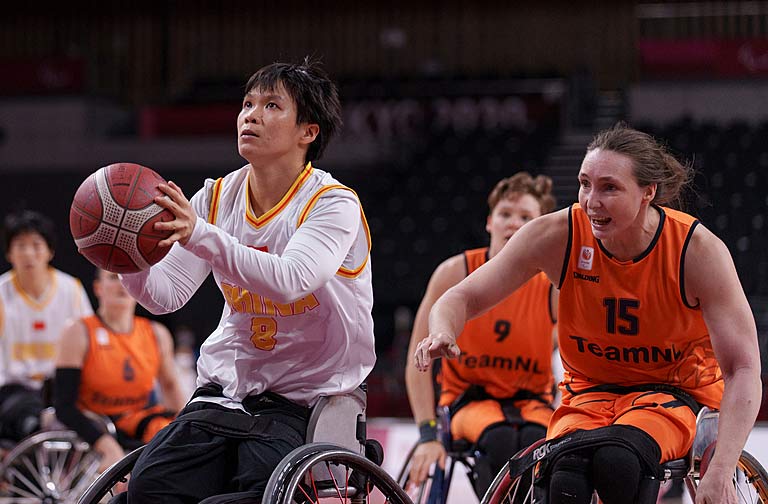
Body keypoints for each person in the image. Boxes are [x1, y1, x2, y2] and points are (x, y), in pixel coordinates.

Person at [415, 123, 761, 504]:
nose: (591, 201)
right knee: (565, 474)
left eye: (609, 187)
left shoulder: (696, 251)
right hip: (588, 396)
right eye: (584, 184)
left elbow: (743, 369)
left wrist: (723, 467)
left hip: (673, 396)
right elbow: (461, 297)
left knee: (619, 461)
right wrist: (443, 330)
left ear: (648, 192)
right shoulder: (558, 234)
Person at [116, 58, 375, 503]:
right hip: (223, 394)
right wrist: (126, 254)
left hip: (302, 403)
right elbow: (167, 294)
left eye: (272, 105)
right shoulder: (216, 197)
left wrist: (200, 233)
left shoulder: (333, 204)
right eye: (247, 103)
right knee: (146, 490)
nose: (251, 115)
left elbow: (292, 279)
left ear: (307, 132)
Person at [405, 172, 559, 497]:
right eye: (505, 214)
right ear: (489, 222)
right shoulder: (454, 272)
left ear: (538, 228)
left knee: (541, 441)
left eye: (526, 218)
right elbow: (416, 365)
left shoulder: (552, 285)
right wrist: (427, 435)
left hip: (533, 404)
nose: (513, 224)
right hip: (468, 403)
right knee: (502, 438)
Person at [54, 269, 186, 471]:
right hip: (95, 421)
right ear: (98, 288)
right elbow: (64, 406)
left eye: (129, 277)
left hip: (135, 418)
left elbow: (170, 386)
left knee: (179, 434)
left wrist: (188, 425)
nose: (123, 283)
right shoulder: (77, 331)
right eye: (114, 277)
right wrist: (105, 443)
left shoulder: (156, 333)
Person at [0, 210, 93, 441]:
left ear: (50, 251)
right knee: (26, 418)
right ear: (9, 253)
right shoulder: (2, 293)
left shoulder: (71, 289)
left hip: (61, 388)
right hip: (13, 390)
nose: (29, 253)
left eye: (36, 245)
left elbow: (90, 343)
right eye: (20, 246)